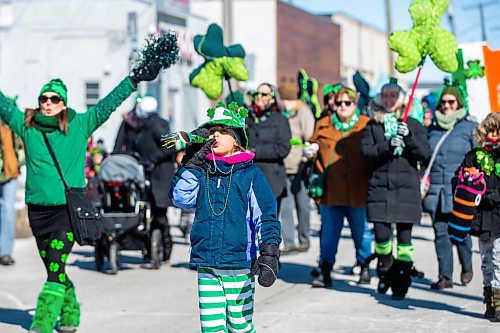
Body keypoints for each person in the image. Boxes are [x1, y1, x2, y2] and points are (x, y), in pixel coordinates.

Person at [0, 66, 158, 332]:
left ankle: (44, 321)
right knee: (55, 267)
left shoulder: (80, 125)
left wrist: (133, 80)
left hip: (67, 211)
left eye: (54, 99)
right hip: (38, 211)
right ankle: (71, 312)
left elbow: (108, 103)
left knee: (55, 268)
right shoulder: (26, 126)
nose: (48, 104)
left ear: (63, 103)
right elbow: (3, 105)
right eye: (43, 99)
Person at [169, 102, 281, 332]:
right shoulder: (202, 170)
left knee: (239, 326)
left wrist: (269, 253)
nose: (215, 135)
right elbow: (180, 198)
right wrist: (192, 163)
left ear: (237, 139)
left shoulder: (250, 174)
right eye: (211, 131)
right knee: (211, 328)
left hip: (239, 264)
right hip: (207, 262)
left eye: (224, 131)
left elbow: (267, 216)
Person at [361, 81, 430, 300]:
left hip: (406, 190)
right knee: (381, 239)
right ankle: (386, 271)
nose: (389, 100)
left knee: (404, 242)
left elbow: (424, 154)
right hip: (380, 189)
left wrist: (409, 136)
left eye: (393, 95)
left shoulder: (412, 123)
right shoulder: (373, 125)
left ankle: (402, 281)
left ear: (401, 98)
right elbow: (367, 154)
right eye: (385, 96)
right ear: (380, 98)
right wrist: (387, 146)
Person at [305, 87, 372, 287]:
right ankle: (325, 269)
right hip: (331, 191)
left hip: (357, 188)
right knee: (329, 234)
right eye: (339, 103)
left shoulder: (365, 125)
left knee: (361, 232)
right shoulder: (324, 124)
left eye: (347, 103)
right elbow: (313, 146)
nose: (342, 107)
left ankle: (364, 265)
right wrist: (311, 151)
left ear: (355, 103)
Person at [423, 86, 476, 290]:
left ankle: (467, 266)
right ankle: (445, 275)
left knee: (460, 232)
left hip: (460, 190)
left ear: (459, 104)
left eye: (451, 102)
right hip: (436, 190)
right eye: (443, 102)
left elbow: (478, 156)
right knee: (440, 233)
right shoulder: (433, 129)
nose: (446, 105)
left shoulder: (469, 128)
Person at [448, 113, 499, 320]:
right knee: (486, 260)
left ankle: (498, 303)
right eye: (490, 130)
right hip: (481, 218)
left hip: (498, 215)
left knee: (498, 259)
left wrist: (488, 194)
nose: (493, 135)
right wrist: (467, 181)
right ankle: (489, 299)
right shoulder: (473, 156)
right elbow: (457, 181)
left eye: (497, 130)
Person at [131, 95, 176, 263]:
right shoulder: (142, 126)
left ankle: (164, 247)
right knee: (145, 214)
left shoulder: (157, 125)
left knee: (159, 216)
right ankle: (149, 247)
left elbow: (171, 146)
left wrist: (151, 159)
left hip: (159, 177)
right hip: (146, 176)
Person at [278, 82, 315, 253]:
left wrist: (305, 160)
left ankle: (304, 239)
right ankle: (289, 242)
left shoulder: (303, 112)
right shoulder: (282, 112)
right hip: (284, 165)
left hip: (300, 166)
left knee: (303, 204)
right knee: (285, 205)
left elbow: (310, 138)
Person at [246, 83, 291, 212]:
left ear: (272, 98)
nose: (259, 97)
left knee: (267, 226)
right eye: (256, 94)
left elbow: (283, 148)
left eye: (264, 94)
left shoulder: (280, 119)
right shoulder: (247, 119)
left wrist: (255, 152)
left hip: (272, 180)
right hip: (249, 178)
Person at [0, 98, 24, 266]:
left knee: (8, 211)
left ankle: (5, 252)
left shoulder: (13, 127)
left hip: (10, 172)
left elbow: (22, 146)